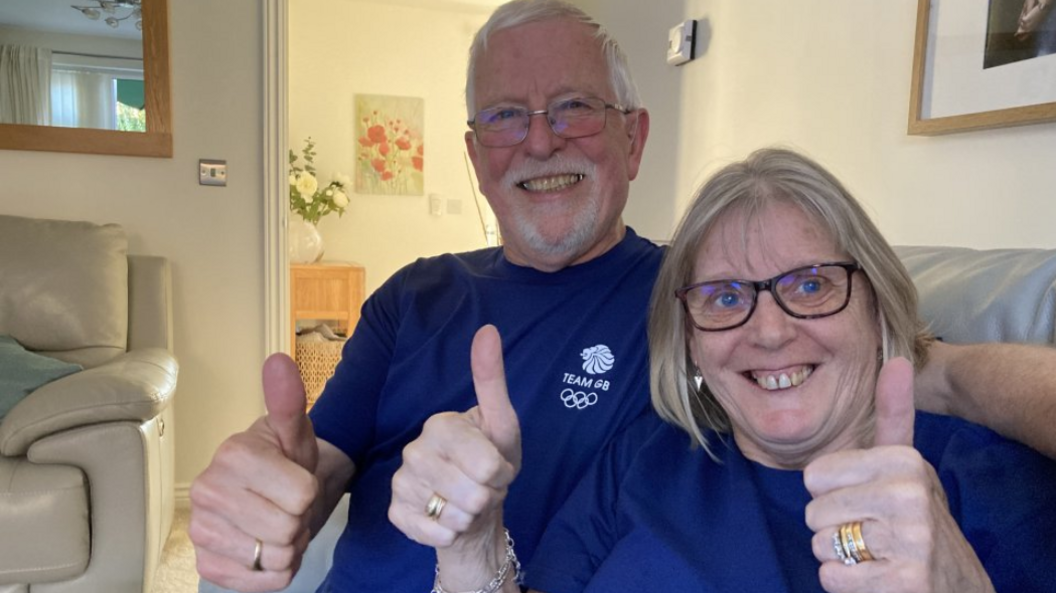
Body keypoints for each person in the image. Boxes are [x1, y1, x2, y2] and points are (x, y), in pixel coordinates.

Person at [190, 2, 1056, 592]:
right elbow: (315, 473)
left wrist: (943, 375)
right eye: (504, 117)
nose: (539, 139)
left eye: (573, 107)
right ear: (473, 153)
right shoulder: (411, 296)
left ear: (633, 138)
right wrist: (262, 496)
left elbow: (884, 365)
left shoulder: (696, 295)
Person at [425, 148, 1056, 593]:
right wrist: (470, 550)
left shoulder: (992, 481)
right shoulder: (647, 457)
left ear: (878, 303)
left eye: (810, 284)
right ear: (692, 341)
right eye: (726, 297)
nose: (770, 330)